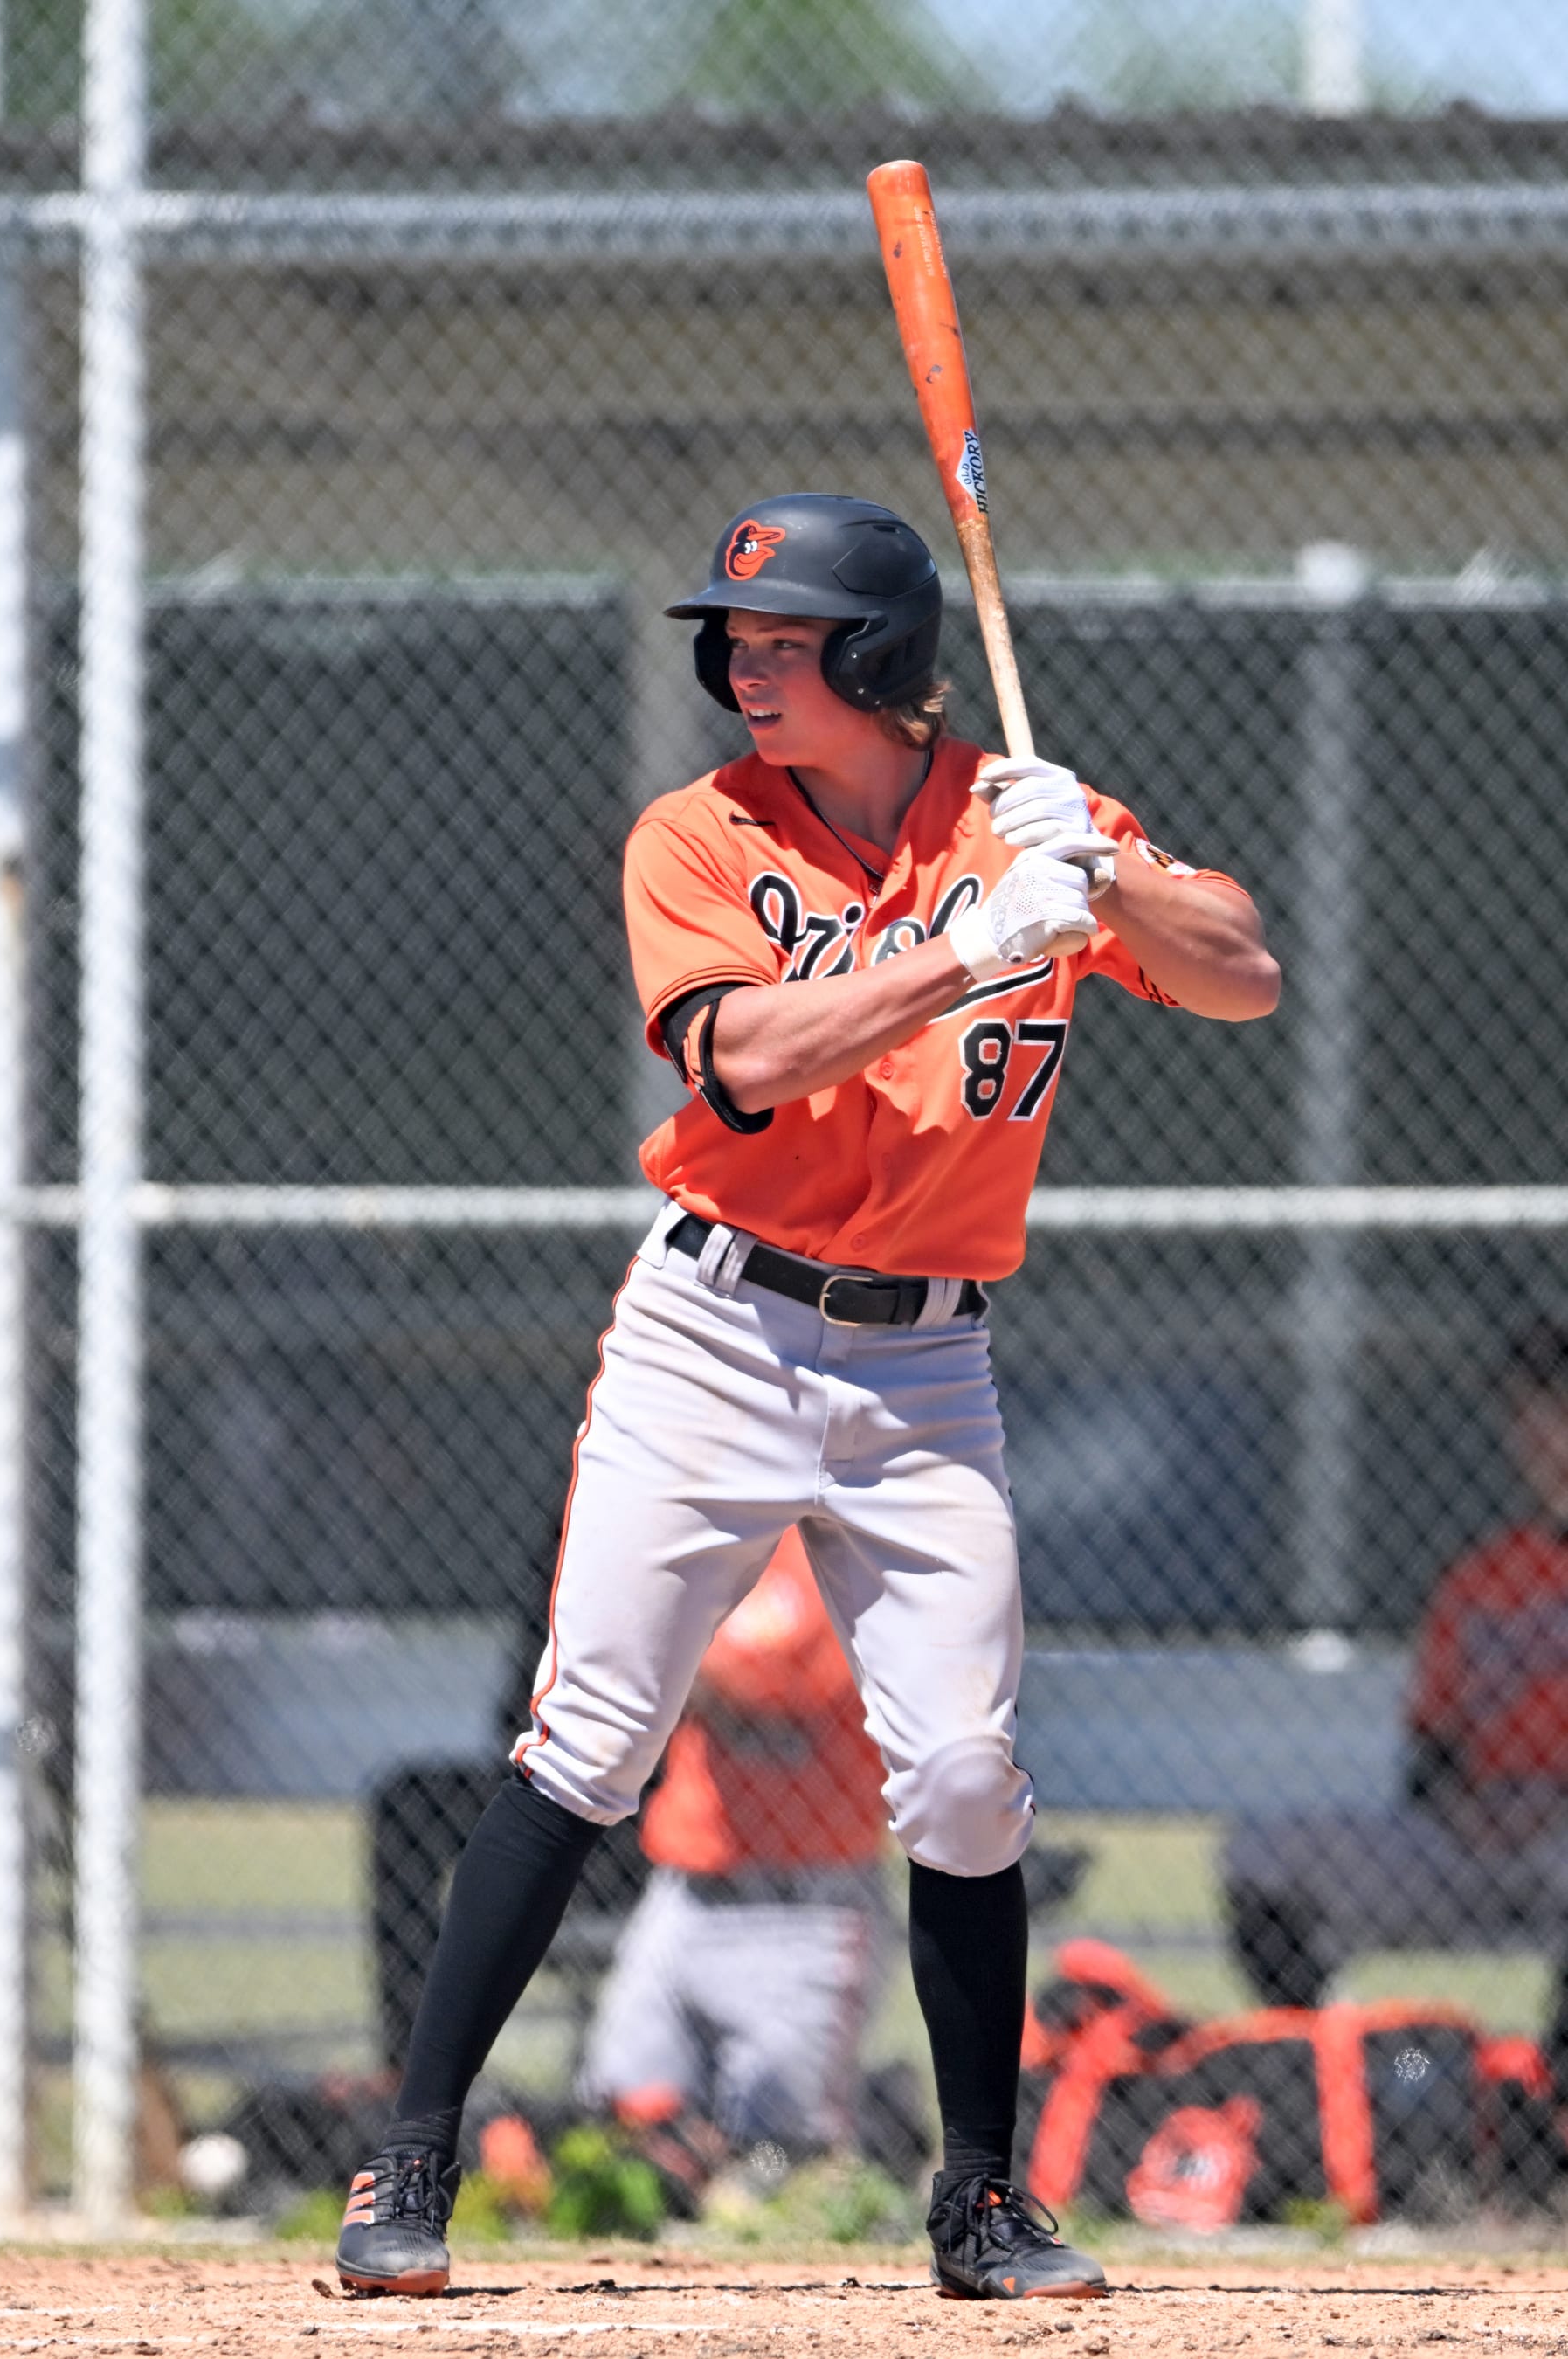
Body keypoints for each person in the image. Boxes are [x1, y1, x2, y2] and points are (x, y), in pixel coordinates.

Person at [334, 492, 1279, 2301]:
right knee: (591, 1738)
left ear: (881, 659)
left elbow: (1241, 976)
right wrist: (973, 947)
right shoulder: (695, 837)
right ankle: (410, 2161)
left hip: (928, 1358)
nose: (745, 672)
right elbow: (750, 1055)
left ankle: (983, 2203)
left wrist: (1108, 867)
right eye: (737, 644)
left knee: (966, 1774)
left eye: (784, 644)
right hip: (718, 1333)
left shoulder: (1018, 824)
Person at [1226, 1317, 1568, 2070]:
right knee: (1265, 1856)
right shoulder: (1480, 1578)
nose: (1541, 1437)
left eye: (1555, 1411)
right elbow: (1429, 1752)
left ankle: (1553, 2109)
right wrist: (1467, 1812)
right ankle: (1330, 2078)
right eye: (1527, 1415)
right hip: (1472, 1843)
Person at [578, 1525, 892, 2194]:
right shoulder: (713, 1527)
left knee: (781, 2160)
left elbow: (757, 1672)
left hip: (807, 1914)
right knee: (626, 2117)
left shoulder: (841, 1548)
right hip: (684, 1899)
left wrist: (653, 1637)